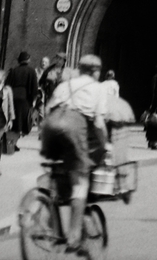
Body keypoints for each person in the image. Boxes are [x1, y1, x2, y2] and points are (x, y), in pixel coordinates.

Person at [41, 53, 110, 253]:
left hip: (51, 128)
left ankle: (46, 218)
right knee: (80, 182)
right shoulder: (98, 88)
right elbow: (98, 123)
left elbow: (48, 108)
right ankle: (73, 237)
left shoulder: (65, 85)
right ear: (96, 71)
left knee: (58, 172)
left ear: (79, 69)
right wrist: (106, 145)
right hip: (74, 128)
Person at [5, 51, 37, 142]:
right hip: (25, 98)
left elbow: (7, 85)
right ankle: (14, 142)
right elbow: (34, 87)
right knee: (22, 121)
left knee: (14, 119)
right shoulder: (31, 71)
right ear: (28, 60)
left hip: (13, 97)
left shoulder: (13, 70)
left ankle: (11, 141)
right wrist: (33, 100)